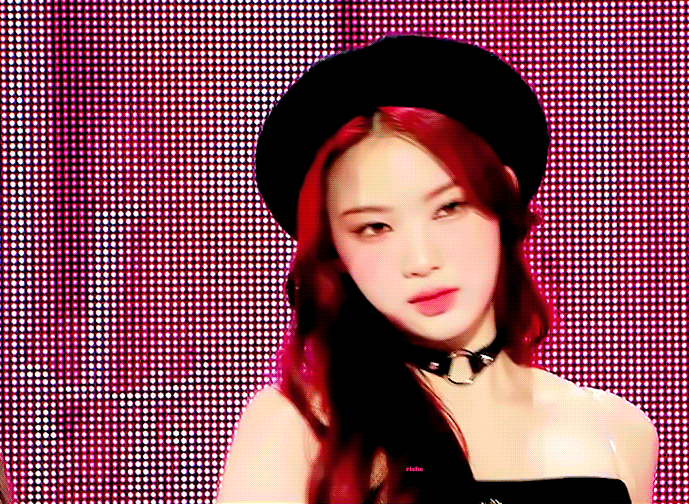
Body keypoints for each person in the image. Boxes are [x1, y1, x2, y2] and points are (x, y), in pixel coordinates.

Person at [216, 35, 658, 504]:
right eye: (374, 227)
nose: (421, 261)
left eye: (449, 208)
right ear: (335, 251)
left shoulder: (617, 430)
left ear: (503, 196)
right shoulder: (298, 430)